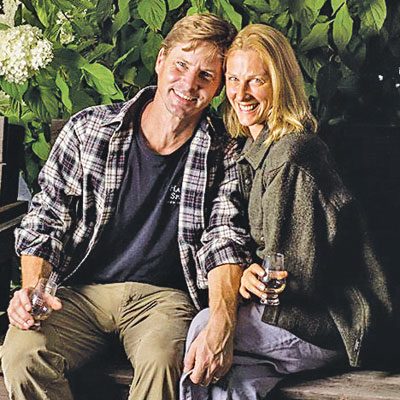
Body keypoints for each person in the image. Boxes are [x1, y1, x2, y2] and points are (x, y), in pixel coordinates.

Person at [0, 14, 252, 400]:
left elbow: (225, 240)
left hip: (163, 300)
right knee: (22, 354)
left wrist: (221, 322)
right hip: (80, 293)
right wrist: (33, 292)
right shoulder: (89, 130)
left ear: (217, 88)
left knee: (165, 359)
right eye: (181, 65)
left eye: (205, 75)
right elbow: (45, 220)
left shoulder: (225, 152)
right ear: (161, 60)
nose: (188, 84)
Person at [180, 23, 393, 399]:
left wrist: (249, 282)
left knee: (204, 328)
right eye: (233, 79)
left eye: (256, 82)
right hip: (288, 319)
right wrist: (245, 273)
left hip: (328, 324)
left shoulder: (292, 156)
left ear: (280, 84)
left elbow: (295, 282)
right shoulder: (253, 148)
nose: (240, 94)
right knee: (231, 378)